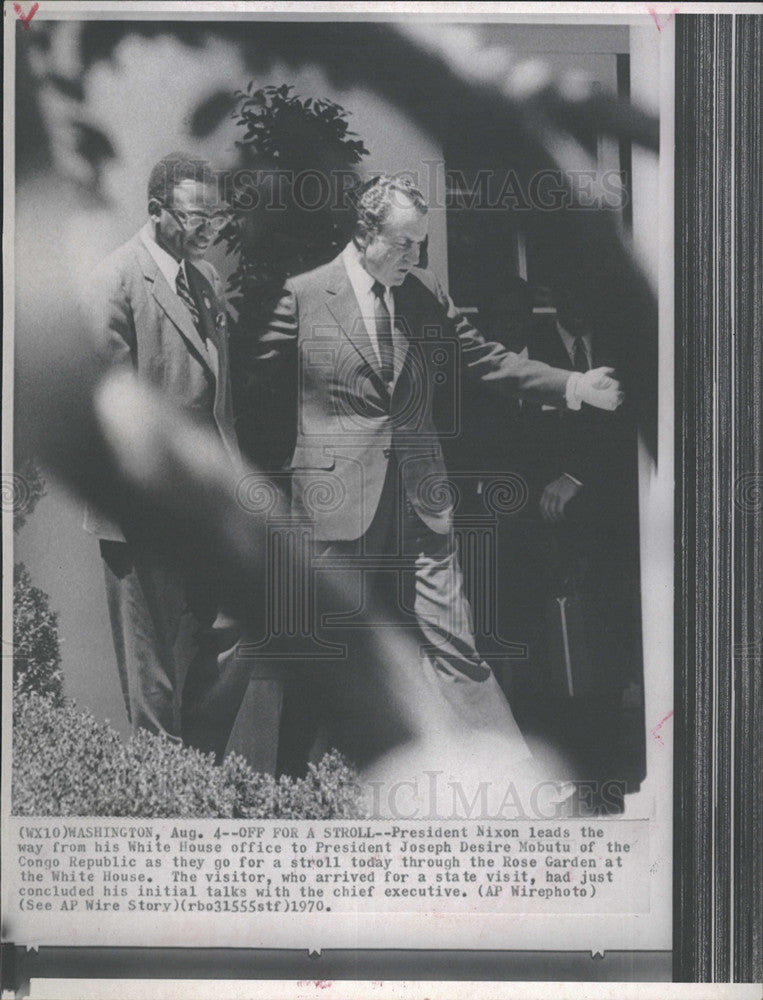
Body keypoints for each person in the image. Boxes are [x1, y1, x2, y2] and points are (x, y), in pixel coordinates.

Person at [248, 175, 624, 773]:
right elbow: (258, 396)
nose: (415, 256)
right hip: (337, 504)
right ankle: (293, 791)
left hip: (421, 500)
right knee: (328, 651)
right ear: (365, 233)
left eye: (421, 244)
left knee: (455, 643)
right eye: (403, 244)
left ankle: (513, 782)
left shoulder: (422, 290)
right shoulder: (302, 295)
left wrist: (573, 384)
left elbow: (484, 358)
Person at [80, 152, 245, 749]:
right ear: (156, 212)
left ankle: (199, 779)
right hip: (145, 512)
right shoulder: (115, 278)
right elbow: (111, 409)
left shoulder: (204, 281)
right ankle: (163, 804)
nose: (210, 229)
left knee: (237, 634)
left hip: (211, 508)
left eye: (214, 216)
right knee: (152, 683)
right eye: (196, 217)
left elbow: (217, 403)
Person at [505, 281, 646, 807]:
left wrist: (577, 476)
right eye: (573, 285)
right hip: (545, 528)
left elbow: (633, 423)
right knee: (555, 653)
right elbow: (516, 436)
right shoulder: (529, 348)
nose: (584, 301)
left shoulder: (621, 346)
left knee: (606, 650)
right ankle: (563, 772)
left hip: (609, 519)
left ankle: (608, 773)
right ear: (555, 293)